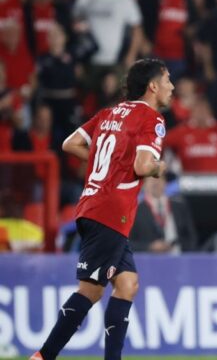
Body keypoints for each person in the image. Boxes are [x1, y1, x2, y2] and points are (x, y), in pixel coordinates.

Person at [29, 58, 174, 360]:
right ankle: (43, 356)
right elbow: (143, 165)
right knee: (91, 291)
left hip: (92, 205)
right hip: (110, 211)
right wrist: (161, 168)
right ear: (153, 86)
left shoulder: (109, 113)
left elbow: (71, 144)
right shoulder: (152, 120)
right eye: (168, 80)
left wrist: (107, 165)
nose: (172, 87)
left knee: (127, 284)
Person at [131, 176, 198, 253]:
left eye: (159, 178)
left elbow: (191, 237)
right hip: (149, 261)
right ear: (143, 185)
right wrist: (149, 247)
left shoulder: (179, 207)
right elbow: (129, 244)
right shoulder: (135, 210)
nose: (156, 182)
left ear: (165, 183)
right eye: (151, 179)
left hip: (178, 259)